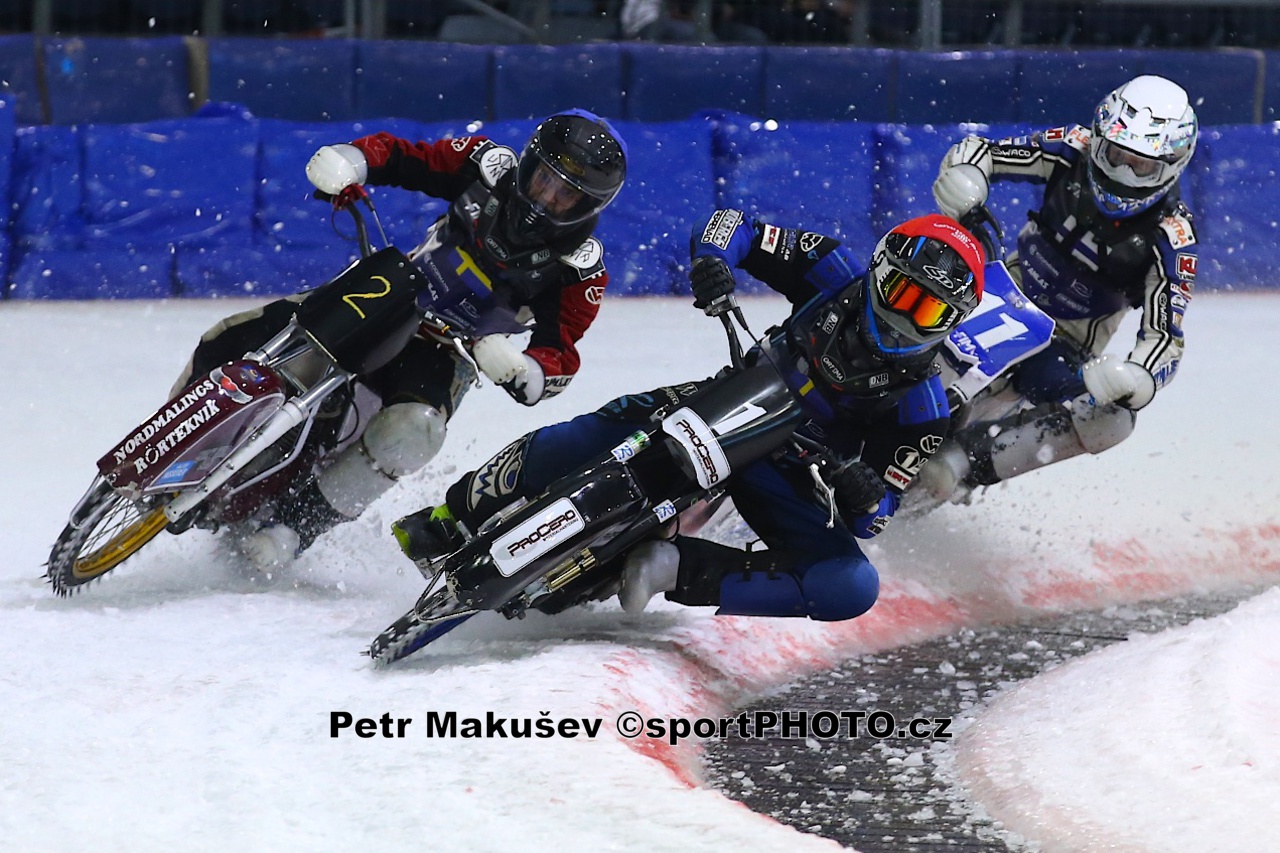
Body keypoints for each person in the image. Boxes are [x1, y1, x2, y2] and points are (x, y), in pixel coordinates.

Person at [392, 211, 984, 621]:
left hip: (793, 470)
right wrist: (714, 262)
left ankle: (673, 568)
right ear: (879, 271)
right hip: (731, 396)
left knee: (851, 586)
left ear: (952, 323)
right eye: (905, 295)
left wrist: (862, 491)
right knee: (596, 429)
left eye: (931, 312)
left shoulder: (923, 410)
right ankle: (455, 512)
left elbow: (876, 519)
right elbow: (732, 225)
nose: (907, 321)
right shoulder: (831, 269)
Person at [174, 110, 628, 569]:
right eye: (543, 179)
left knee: (415, 431)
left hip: (448, 352)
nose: (545, 198)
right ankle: (172, 442)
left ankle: (294, 528)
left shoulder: (579, 271)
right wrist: (354, 161)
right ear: (527, 164)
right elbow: (405, 157)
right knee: (232, 336)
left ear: (587, 207)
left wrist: (520, 369)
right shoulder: (485, 166)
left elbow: (559, 354)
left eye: (565, 194)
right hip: (389, 293)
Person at [924, 75, 1198, 500]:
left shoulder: (1173, 235)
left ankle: (963, 461)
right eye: (1116, 154)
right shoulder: (1073, 147)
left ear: (1172, 165)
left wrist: (1137, 377)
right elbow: (983, 151)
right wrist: (966, 176)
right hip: (999, 288)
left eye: (1141, 165)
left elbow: (1165, 337)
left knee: (1111, 420)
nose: (1123, 172)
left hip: (1062, 344)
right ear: (1099, 136)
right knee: (919, 263)